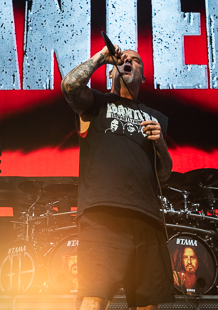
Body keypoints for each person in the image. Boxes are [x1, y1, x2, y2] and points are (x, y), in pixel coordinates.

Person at [61, 44, 174, 310]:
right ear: (112, 72)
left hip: (146, 216)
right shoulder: (96, 104)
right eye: (123, 59)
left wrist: (161, 145)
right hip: (103, 214)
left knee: (147, 304)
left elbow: (164, 175)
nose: (128, 61)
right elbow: (69, 86)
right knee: (94, 297)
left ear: (143, 76)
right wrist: (102, 57)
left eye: (136, 61)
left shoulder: (156, 118)